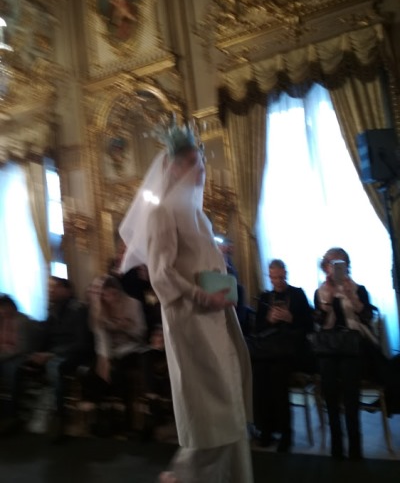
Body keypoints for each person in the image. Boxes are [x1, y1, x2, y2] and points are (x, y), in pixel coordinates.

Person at [119, 121, 253, 483]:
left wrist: (220, 272)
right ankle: (182, 477)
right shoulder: (162, 213)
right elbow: (161, 273)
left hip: (217, 318)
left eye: (202, 161)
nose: (202, 169)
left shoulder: (200, 215)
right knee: (212, 412)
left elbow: (199, 264)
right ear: (173, 167)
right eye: (193, 162)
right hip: (191, 322)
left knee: (230, 408)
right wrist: (201, 294)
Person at [314, 247, 379, 460]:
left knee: (351, 390)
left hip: (354, 346)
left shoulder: (359, 289)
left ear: (347, 267)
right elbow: (319, 322)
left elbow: (367, 317)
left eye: (340, 264)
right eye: (331, 264)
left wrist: (351, 295)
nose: (335, 268)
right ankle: (336, 443)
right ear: (325, 267)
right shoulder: (321, 291)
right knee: (330, 390)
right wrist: (329, 300)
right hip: (329, 346)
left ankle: (355, 445)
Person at [252, 259, 314, 451]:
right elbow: (257, 329)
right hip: (269, 350)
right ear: (269, 277)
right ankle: (266, 430)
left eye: (280, 277)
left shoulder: (297, 294)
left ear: (286, 274)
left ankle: (286, 433)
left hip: (292, 350)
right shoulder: (265, 297)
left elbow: (310, 326)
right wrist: (269, 319)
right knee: (259, 376)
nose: (278, 281)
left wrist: (290, 318)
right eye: (274, 278)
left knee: (278, 377)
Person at [26, 277, 93, 439]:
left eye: (55, 287)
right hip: (55, 352)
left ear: (67, 290)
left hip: (75, 354)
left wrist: (51, 354)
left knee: (55, 366)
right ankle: (32, 412)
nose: (51, 291)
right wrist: (37, 352)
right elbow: (46, 336)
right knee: (26, 364)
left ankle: (60, 417)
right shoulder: (54, 310)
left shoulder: (78, 309)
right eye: (50, 287)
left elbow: (81, 342)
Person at [89, 276, 147, 434]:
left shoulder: (133, 304)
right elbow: (101, 337)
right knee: (95, 370)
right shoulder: (100, 307)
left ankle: (127, 419)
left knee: (120, 371)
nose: (110, 298)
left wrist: (126, 327)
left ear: (118, 291)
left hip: (131, 347)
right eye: (105, 295)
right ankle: (104, 415)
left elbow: (141, 333)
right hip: (111, 350)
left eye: (113, 294)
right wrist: (104, 359)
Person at [0, 295, 33, 433]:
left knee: (12, 371)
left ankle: (13, 414)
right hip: (4, 354)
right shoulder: (2, 320)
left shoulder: (22, 320)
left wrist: (3, 356)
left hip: (18, 355)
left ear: (11, 307)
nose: (2, 311)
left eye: (3, 308)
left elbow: (22, 347)